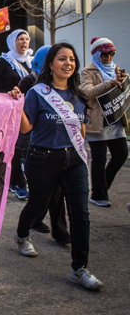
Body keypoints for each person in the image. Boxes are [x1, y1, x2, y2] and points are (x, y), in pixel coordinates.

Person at [9, 43, 104, 291]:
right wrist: (17, 105)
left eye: (72, 59)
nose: (68, 63)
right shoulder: (37, 93)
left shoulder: (77, 95)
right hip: (42, 158)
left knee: (80, 214)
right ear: (50, 64)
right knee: (37, 205)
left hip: (74, 160)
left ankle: (79, 268)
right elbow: (26, 128)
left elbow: (81, 131)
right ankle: (22, 234)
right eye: (62, 59)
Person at [18, 46, 71, 244]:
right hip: (35, 145)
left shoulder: (65, 87)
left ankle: (59, 230)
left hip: (61, 147)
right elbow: (18, 110)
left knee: (57, 193)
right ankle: (27, 227)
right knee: (41, 198)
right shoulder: (30, 83)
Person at [0, 29, 33, 200]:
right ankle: (17, 183)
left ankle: (18, 180)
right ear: (13, 41)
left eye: (26, 39)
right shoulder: (3, 62)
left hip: (27, 112)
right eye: (20, 39)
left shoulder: (32, 63)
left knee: (24, 147)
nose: (24, 42)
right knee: (13, 147)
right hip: (6, 112)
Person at [80, 37, 128, 208]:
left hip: (115, 120)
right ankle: (98, 194)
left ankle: (102, 186)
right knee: (99, 159)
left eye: (111, 53)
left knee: (121, 154)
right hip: (97, 121)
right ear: (96, 54)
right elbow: (86, 93)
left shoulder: (116, 69)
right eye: (104, 54)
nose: (108, 57)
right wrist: (108, 84)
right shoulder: (88, 71)